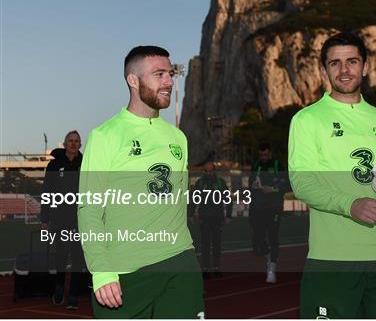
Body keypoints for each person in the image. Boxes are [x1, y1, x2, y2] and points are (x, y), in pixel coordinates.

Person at [288, 32, 376, 319]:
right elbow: (302, 183)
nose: (344, 71)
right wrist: (351, 205)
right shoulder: (307, 119)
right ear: (324, 70)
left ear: (366, 67)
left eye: (352, 62)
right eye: (335, 63)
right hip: (334, 259)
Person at [78, 46, 204, 318]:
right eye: (159, 74)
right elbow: (89, 210)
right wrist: (101, 270)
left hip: (180, 263)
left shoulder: (177, 138)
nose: (169, 81)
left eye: (170, 73)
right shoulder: (104, 136)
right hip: (125, 274)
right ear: (132, 81)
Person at [41, 130, 87, 310]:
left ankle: (73, 294)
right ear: (65, 144)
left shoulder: (85, 163)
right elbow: (46, 192)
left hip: (79, 219)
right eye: (70, 141)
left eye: (77, 141)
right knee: (60, 255)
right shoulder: (53, 165)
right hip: (58, 219)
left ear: (80, 145)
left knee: (77, 257)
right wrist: (44, 219)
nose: (74, 144)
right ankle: (59, 288)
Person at [249, 142, 290, 284]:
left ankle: (272, 268)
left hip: (274, 206)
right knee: (258, 239)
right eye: (261, 155)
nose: (263, 157)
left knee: (273, 236)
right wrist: (254, 186)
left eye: (266, 154)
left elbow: (287, 185)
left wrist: (273, 189)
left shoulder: (278, 164)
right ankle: (268, 256)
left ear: (270, 153)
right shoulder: (256, 165)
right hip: (259, 207)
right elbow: (250, 183)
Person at [189, 162, 232, 279]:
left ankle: (217, 268)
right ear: (204, 172)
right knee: (205, 245)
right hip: (204, 218)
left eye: (211, 171)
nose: (209, 173)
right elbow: (194, 199)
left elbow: (228, 199)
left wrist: (228, 215)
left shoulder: (220, 182)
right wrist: (191, 214)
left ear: (214, 171)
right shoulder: (200, 182)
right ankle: (205, 269)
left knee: (217, 244)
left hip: (218, 218)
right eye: (206, 171)